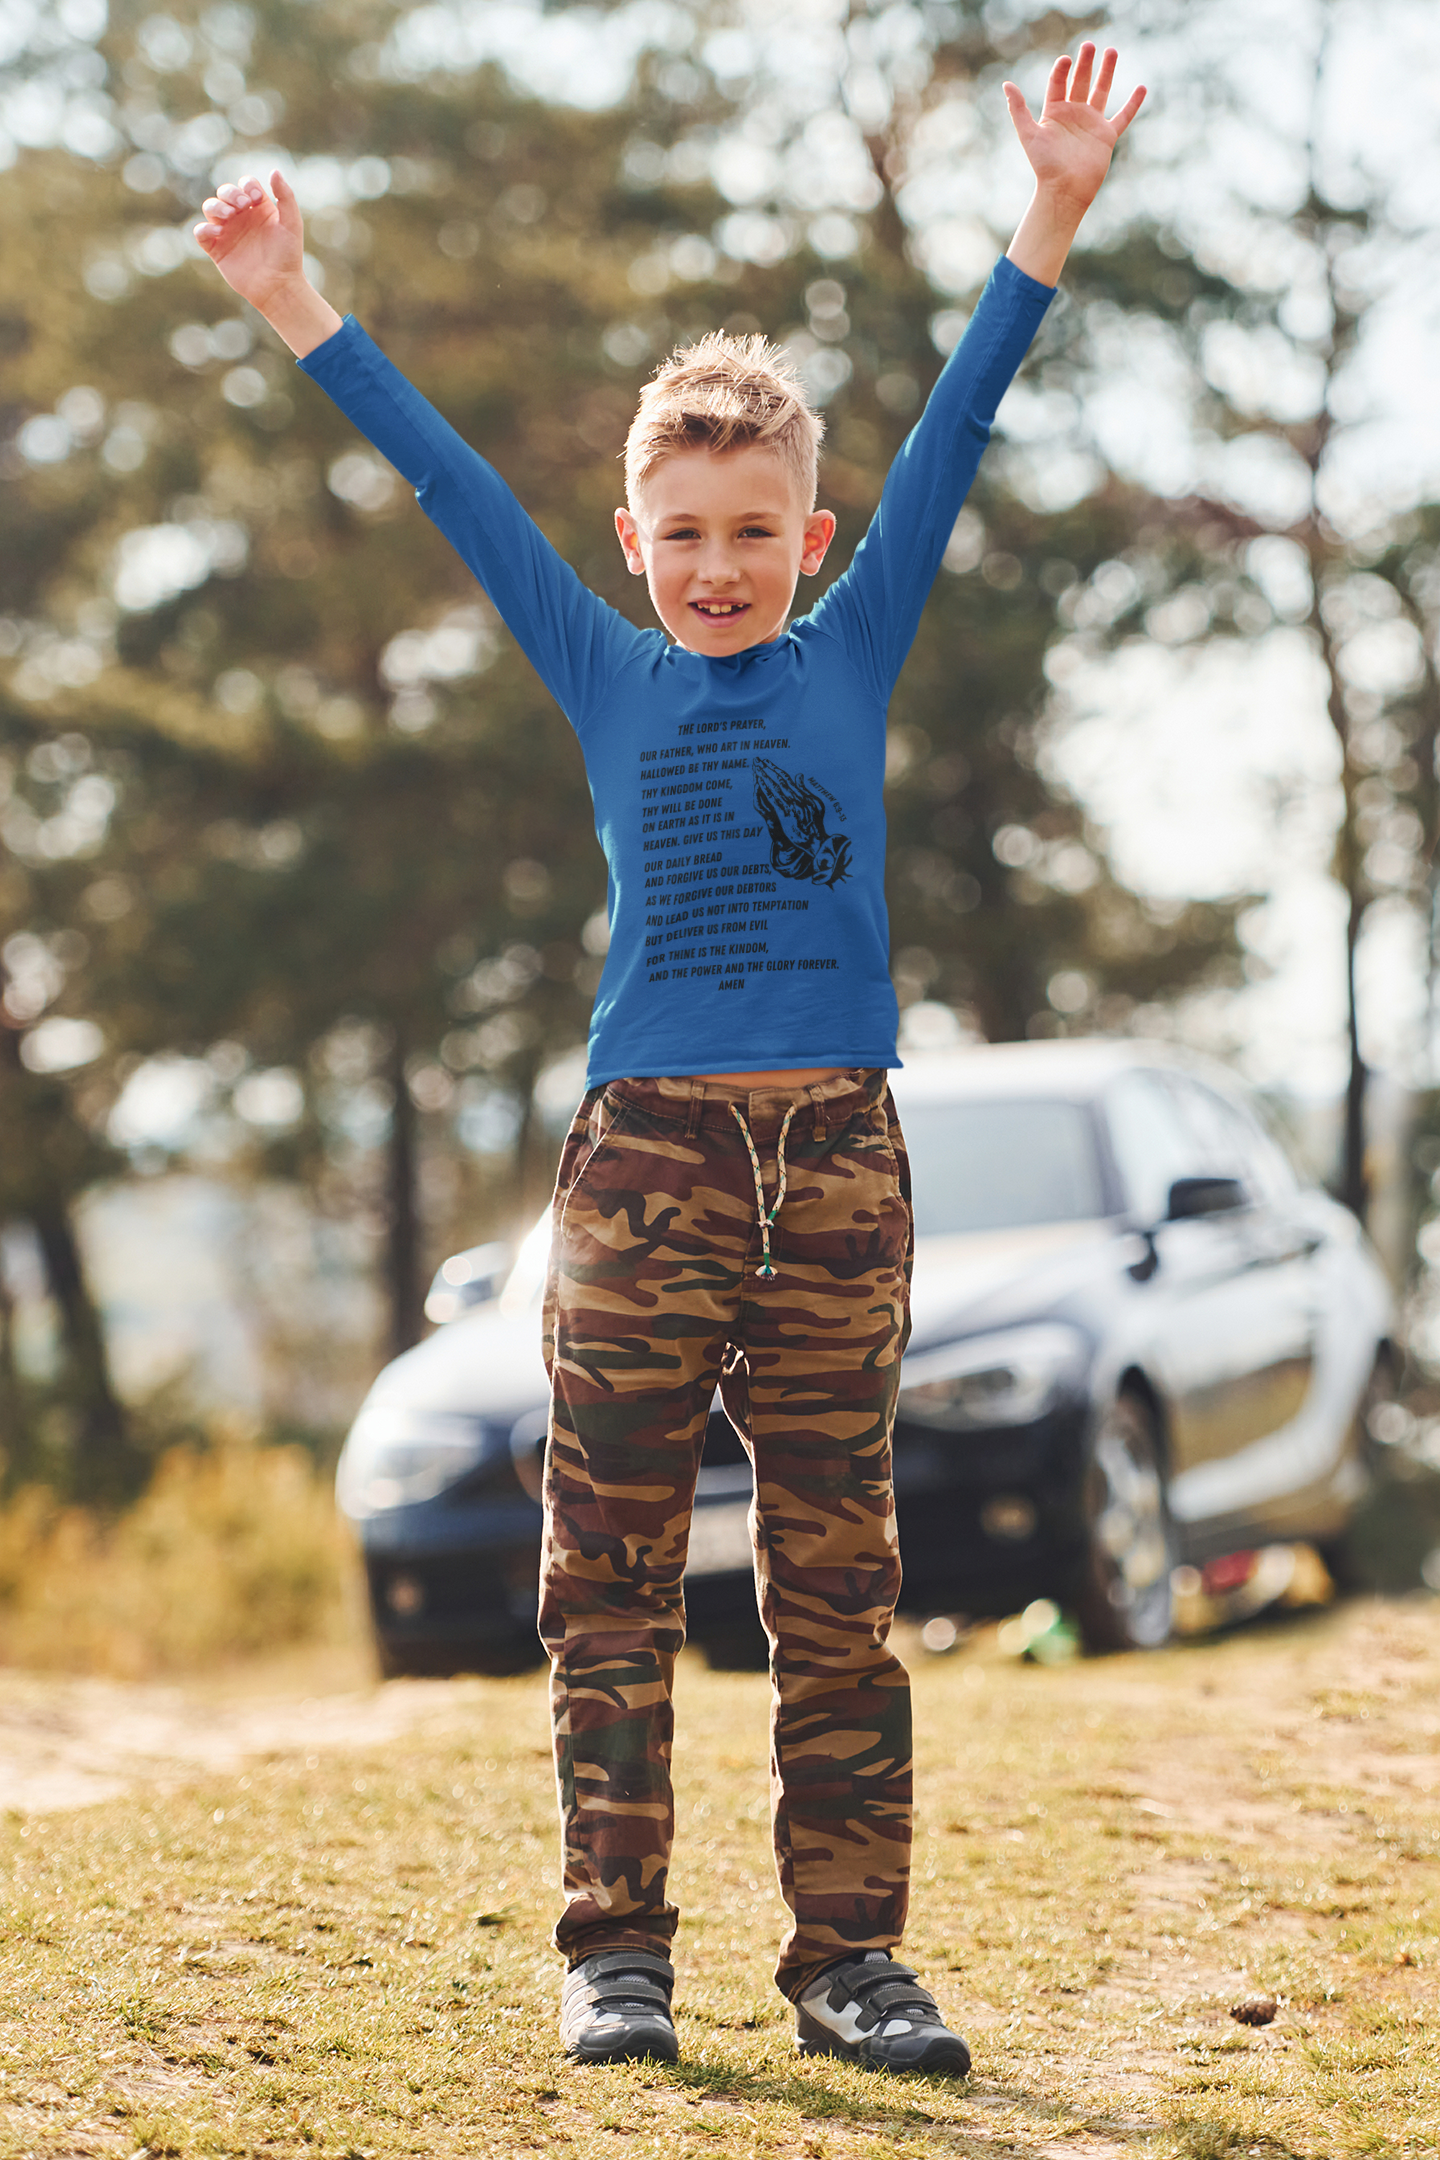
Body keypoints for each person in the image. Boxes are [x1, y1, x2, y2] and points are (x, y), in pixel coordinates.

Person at [195, 42, 1144, 2076]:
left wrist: (1050, 210)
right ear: (631, 543)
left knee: (837, 1587)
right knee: (602, 1577)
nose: (717, 559)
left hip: (840, 1165)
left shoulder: (854, 644)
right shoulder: (606, 663)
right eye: (682, 527)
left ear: (811, 544)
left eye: (754, 527)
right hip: (646, 1169)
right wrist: (299, 306)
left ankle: (850, 1962)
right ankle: (615, 1945)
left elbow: (967, 419)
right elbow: (451, 485)